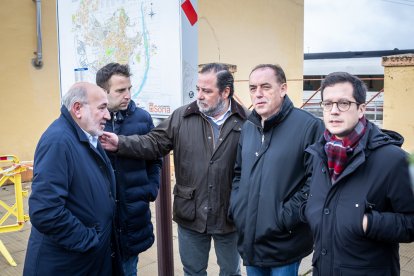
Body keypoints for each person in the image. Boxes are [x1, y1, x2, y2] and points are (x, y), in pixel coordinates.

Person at [100, 63, 247, 276]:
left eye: (207, 91)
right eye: (198, 89)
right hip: (191, 213)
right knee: (193, 271)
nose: (199, 96)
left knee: (231, 271)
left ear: (226, 92)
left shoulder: (247, 122)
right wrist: (120, 143)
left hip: (229, 215)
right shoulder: (182, 117)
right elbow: (153, 143)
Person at [304, 72, 414, 276]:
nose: (334, 111)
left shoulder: (393, 159)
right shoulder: (319, 154)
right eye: (328, 104)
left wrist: (369, 223)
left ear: (361, 109)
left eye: (343, 103)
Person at [228, 64, 324, 276]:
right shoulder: (248, 127)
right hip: (250, 239)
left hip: (284, 241)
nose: (258, 94)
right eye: (253, 88)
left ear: (283, 89)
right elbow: (238, 173)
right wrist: (238, 206)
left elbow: (317, 181)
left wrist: (286, 216)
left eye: (266, 87)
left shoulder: (309, 126)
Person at [23, 82, 121, 275]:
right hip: (67, 263)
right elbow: (45, 211)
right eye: (101, 108)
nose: (108, 115)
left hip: (85, 261)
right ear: (78, 108)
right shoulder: (58, 141)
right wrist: (89, 240)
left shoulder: (88, 136)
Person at [96, 63, 162, 276]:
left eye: (129, 89)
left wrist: (150, 189)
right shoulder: (92, 119)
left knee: (128, 269)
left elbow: (155, 159)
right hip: (101, 218)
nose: (127, 95)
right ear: (104, 91)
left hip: (133, 214)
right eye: (120, 90)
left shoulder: (142, 118)